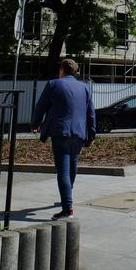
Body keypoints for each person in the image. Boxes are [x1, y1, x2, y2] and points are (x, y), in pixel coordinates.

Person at [31, 58, 96, 219]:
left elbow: (41, 106)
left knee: (63, 170)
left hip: (60, 132)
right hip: (79, 133)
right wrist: (92, 134)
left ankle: (67, 209)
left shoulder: (53, 84)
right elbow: (91, 113)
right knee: (72, 165)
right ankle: (68, 196)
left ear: (62, 70)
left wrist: (35, 124)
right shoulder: (85, 87)